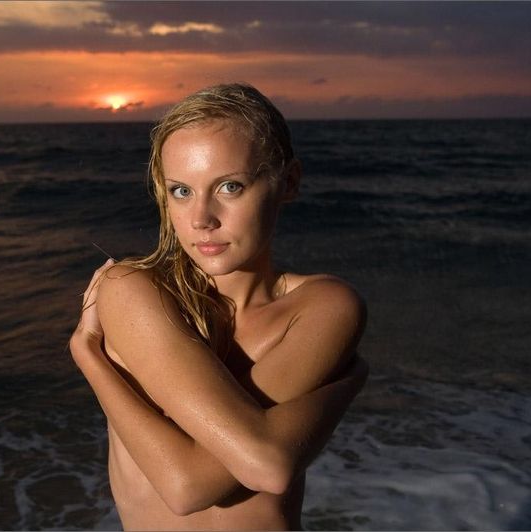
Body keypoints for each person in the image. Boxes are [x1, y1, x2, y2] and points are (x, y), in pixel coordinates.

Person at [70, 83, 368, 530]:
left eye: (230, 186)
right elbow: (187, 488)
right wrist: (89, 358)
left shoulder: (325, 306)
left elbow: (258, 465)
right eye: (181, 191)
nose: (201, 219)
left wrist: (92, 358)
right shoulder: (131, 288)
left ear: (288, 182)